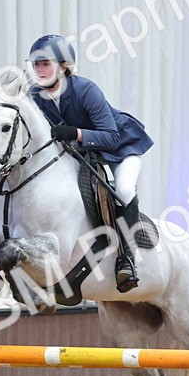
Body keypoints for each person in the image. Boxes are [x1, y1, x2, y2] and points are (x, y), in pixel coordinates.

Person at [26, 34, 154, 293]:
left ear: (63, 66)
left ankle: (126, 259)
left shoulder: (86, 89)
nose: (39, 70)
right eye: (35, 64)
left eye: (45, 64)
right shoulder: (35, 95)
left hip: (120, 146)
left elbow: (110, 136)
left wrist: (75, 133)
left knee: (125, 190)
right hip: (83, 153)